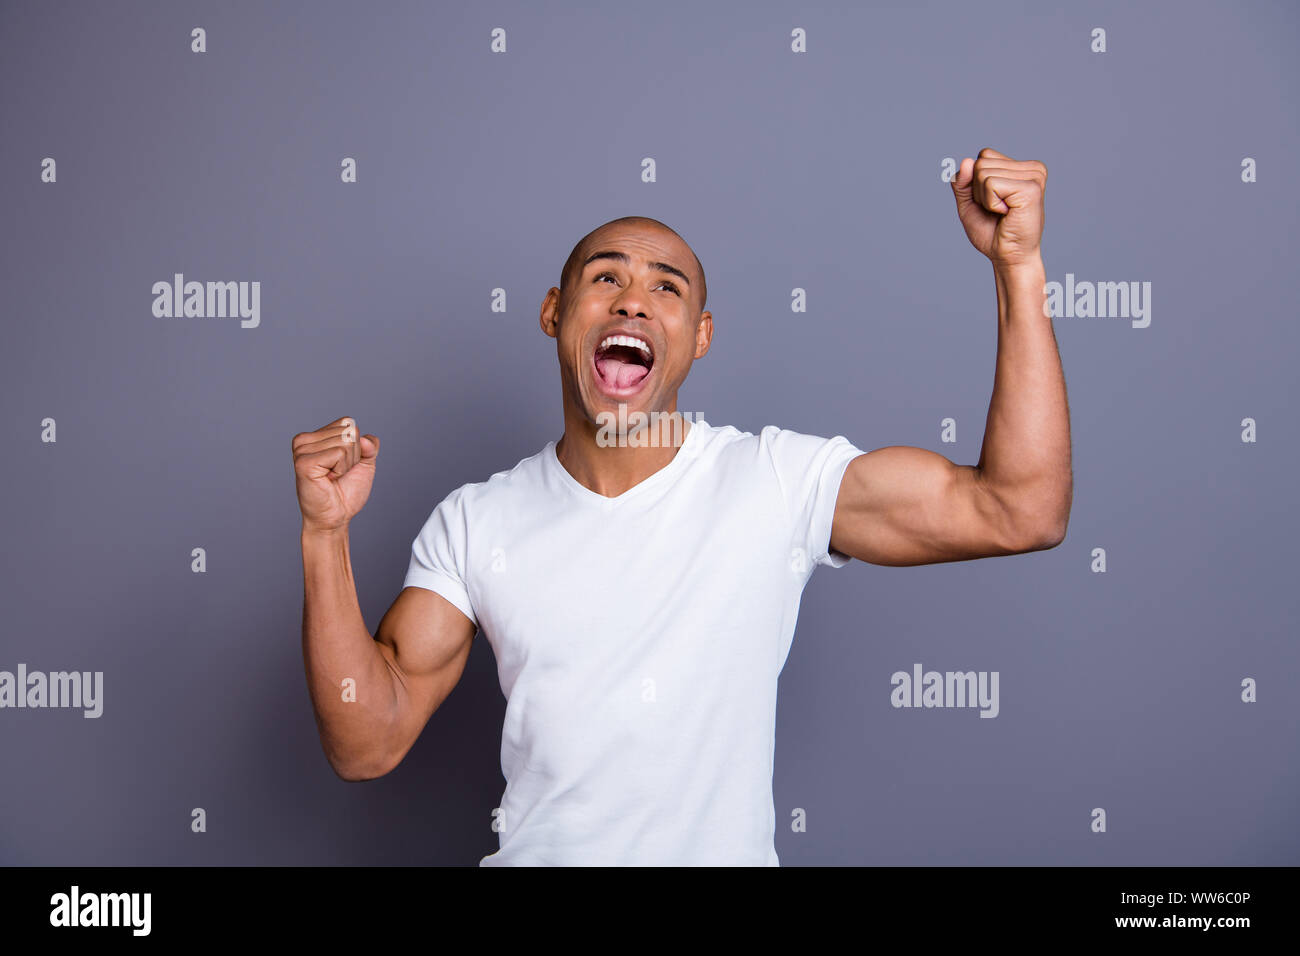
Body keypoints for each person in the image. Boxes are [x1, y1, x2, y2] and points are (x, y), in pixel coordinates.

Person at [291, 147, 1071, 865]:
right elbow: (368, 741)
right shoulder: (476, 522)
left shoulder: (775, 481)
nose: (634, 302)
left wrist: (1019, 265)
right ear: (553, 314)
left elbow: (1019, 509)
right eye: (607, 278)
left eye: (666, 287)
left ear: (698, 337)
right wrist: (325, 536)